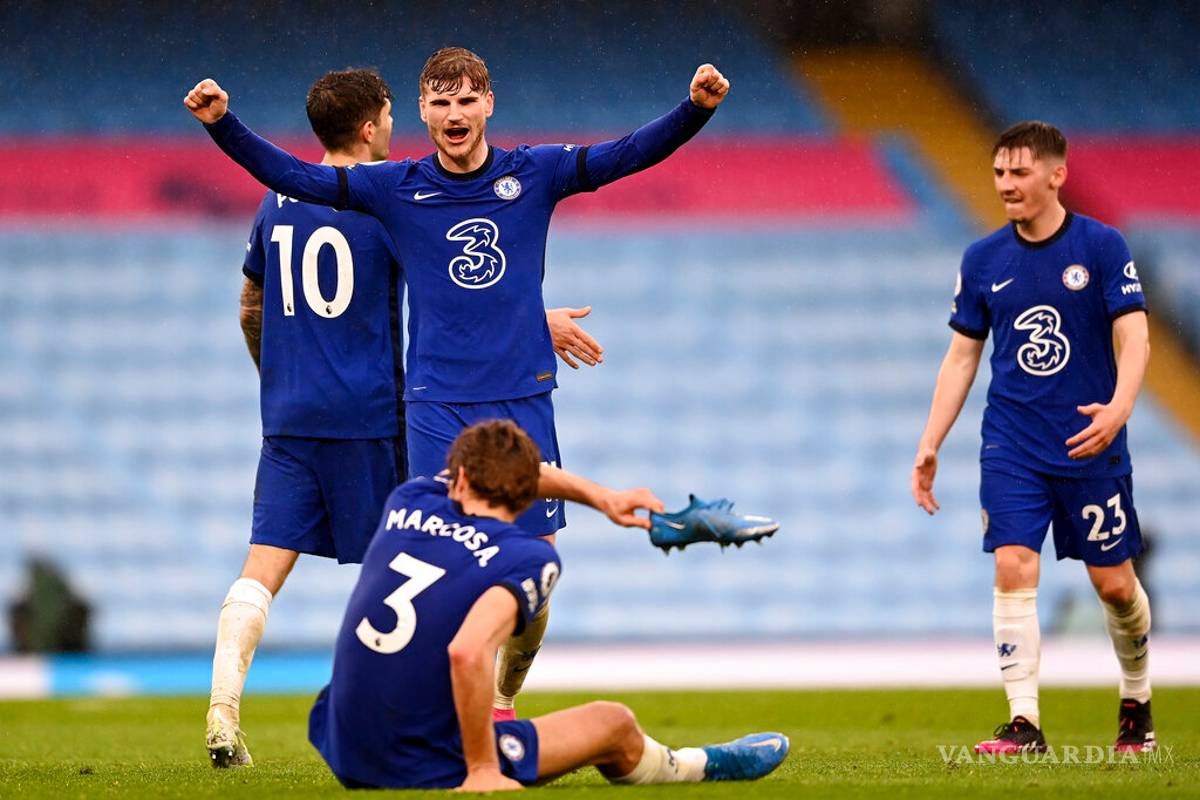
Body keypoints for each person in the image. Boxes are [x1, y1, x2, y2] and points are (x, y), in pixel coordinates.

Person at [185, 48, 730, 721]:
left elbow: (626, 154)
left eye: (466, 100)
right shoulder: (396, 187)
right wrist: (223, 124)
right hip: (436, 404)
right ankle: (440, 708)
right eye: (440, 103)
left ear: (488, 104)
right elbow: (296, 174)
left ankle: (501, 700)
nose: (454, 114)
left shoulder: (536, 171)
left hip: (523, 396)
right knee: (449, 560)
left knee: (537, 572)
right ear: (422, 111)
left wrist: (695, 110)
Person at [207, 67, 606, 768]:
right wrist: (536, 319)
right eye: (396, 110)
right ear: (374, 124)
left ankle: (223, 710)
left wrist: (276, 380)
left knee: (263, 567)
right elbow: (453, 286)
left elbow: (250, 305)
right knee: (442, 565)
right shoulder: (390, 202)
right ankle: (447, 714)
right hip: (379, 415)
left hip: (292, 416)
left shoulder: (278, 204)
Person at [309, 419, 789, 790]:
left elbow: (511, 475)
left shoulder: (409, 500)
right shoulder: (530, 556)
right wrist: (480, 770)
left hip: (341, 741)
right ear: (524, 499)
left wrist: (604, 499)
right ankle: (695, 768)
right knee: (614, 724)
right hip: (414, 763)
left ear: (457, 480)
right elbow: (468, 652)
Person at [911, 121, 1155, 753]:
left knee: (1115, 585)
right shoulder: (983, 259)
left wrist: (1119, 408)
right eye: (999, 174)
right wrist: (930, 440)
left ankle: (1137, 700)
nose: (1006, 185)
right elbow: (962, 357)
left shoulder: (1102, 248)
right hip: (1012, 443)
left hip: (1089, 443)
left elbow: (1135, 336)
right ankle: (1025, 723)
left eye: (1019, 173)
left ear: (1056, 175)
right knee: (1013, 566)